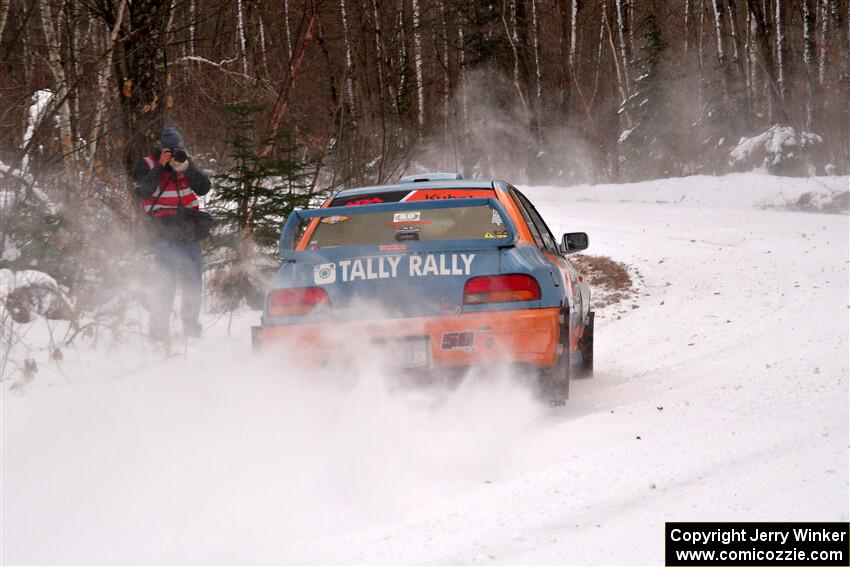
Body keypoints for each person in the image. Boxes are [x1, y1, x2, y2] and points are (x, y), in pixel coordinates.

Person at [132, 127, 211, 340]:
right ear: (161, 149)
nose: (176, 153)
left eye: (179, 149)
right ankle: (159, 330)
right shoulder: (147, 164)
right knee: (165, 283)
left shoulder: (184, 163)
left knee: (193, 282)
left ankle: (191, 327)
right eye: (171, 150)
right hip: (163, 231)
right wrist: (161, 166)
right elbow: (144, 191)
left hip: (189, 231)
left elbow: (204, 188)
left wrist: (187, 169)